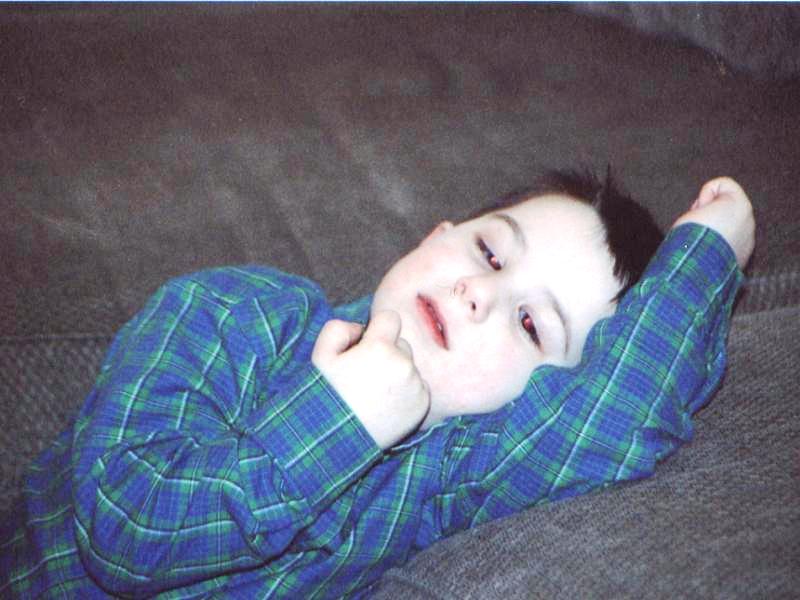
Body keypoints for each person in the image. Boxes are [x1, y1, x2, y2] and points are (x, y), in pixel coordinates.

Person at [0, 170, 754, 598]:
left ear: (538, 398)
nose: (478, 295)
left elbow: (616, 415)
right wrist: (340, 421)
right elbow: (124, 525)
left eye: (532, 326)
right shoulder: (236, 314)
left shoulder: (448, 477)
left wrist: (708, 248)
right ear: (438, 234)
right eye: (491, 254)